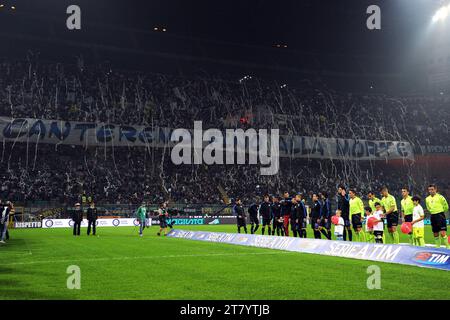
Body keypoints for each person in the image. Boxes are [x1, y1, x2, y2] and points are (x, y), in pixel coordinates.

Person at [425, 184, 449, 249]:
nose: (430, 191)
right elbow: (428, 207)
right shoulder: (427, 199)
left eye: (432, 189)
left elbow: (446, 206)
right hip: (433, 216)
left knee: (442, 233)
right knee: (435, 233)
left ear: (435, 189)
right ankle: (437, 247)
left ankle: (448, 247)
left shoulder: (440, 197)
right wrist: (432, 211)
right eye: (429, 190)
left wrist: (441, 211)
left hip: (440, 215)